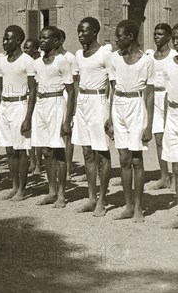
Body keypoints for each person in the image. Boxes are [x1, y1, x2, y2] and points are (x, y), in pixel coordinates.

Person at [106, 20, 154, 223]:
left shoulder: (146, 61)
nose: (116, 39)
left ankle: (139, 208)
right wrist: (109, 117)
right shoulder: (113, 59)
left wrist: (149, 125)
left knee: (136, 160)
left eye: (120, 36)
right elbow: (112, 90)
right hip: (118, 106)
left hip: (136, 106)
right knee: (123, 159)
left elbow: (150, 95)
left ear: (131, 37)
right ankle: (127, 206)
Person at [72, 17, 114, 217]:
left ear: (95, 31)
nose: (80, 35)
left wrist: (111, 116)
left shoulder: (106, 54)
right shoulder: (79, 55)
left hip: (99, 103)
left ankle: (103, 200)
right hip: (83, 103)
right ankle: (91, 198)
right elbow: (77, 81)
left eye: (84, 31)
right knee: (87, 153)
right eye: (79, 31)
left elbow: (114, 86)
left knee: (102, 152)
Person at [0, 25, 37, 201]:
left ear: (18, 40)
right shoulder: (0, 61)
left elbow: (33, 90)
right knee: (9, 149)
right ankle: (14, 186)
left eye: (8, 38)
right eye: (4, 38)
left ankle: (22, 190)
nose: (4, 42)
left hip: (20, 105)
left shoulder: (27, 61)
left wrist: (28, 117)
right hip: (5, 106)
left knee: (20, 150)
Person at [32, 27, 75, 208]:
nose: (41, 41)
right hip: (40, 106)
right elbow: (35, 88)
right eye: (40, 37)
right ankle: (51, 191)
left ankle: (62, 195)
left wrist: (67, 120)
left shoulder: (62, 62)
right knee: (45, 151)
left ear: (56, 41)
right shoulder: (37, 63)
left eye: (46, 38)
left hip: (57, 104)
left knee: (58, 151)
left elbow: (71, 92)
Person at [161, 22, 178, 229]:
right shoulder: (169, 64)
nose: (175, 42)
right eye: (174, 39)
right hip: (173, 115)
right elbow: (166, 94)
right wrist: (165, 121)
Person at [149, 23, 176, 189]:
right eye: (155, 34)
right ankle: (164, 176)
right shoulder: (150, 56)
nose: (156, 37)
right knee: (159, 139)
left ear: (168, 37)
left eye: (160, 34)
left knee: (171, 138)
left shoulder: (174, 55)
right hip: (154, 97)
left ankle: (177, 177)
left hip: (169, 98)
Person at [57, 29, 79, 180]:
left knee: (67, 134)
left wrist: (74, 104)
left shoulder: (70, 57)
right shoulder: (48, 58)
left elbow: (75, 83)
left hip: (67, 94)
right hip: (54, 97)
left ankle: (69, 169)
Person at [23, 37, 43, 175]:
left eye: (28, 48)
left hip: (39, 97)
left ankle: (39, 165)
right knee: (29, 132)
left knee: (38, 132)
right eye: (25, 47)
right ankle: (32, 161)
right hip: (28, 97)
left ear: (35, 49)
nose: (25, 50)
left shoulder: (39, 62)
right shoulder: (25, 62)